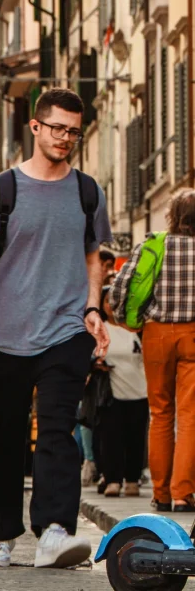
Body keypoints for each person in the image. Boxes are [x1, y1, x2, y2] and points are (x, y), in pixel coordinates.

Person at [0, 87, 111, 569]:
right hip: (3, 331)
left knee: (57, 430)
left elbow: (94, 256)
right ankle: (1, 537)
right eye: (57, 128)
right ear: (36, 128)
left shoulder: (88, 192)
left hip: (66, 328)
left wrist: (92, 308)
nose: (65, 138)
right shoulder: (3, 189)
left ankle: (54, 530)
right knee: (3, 435)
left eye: (73, 131)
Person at [109, 188, 195, 511]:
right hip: (193, 334)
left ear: (172, 216)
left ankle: (159, 493)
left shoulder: (153, 244)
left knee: (159, 413)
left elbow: (120, 288)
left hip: (156, 334)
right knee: (190, 416)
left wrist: (129, 322)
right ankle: (182, 493)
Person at [95, 299, 148, 498]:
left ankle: (132, 480)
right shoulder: (101, 329)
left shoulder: (137, 329)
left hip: (140, 391)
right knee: (111, 438)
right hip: (112, 393)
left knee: (136, 438)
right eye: (107, 301)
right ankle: (112, 480)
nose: (111, 305)